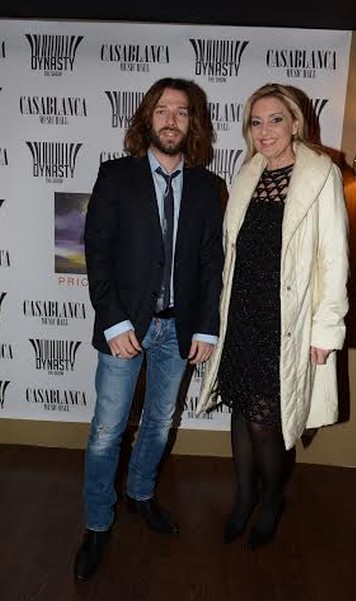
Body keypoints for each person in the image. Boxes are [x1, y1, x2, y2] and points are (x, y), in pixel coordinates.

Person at [74, 77, 224, 582]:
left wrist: (206, 327)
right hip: (124, 328)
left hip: (178, 332)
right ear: (146, 118)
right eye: (162, 110)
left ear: (193, 123)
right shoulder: (116, 176)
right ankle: (97, 524)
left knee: (159, 423)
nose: (171, 120)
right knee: (106, 431)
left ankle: (140, 494)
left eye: (181, 111)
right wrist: (113, 320)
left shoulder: (207, 187)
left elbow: (211, 262)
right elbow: (97, 251)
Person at [196, 83, 349, 550]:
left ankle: (271, 502)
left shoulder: (321, 175)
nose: (264, 131)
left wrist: (326, 330)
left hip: (286, 319)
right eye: (256, 122)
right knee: (241, 411)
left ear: (296, 122)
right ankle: (244, 498)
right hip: (243, 313)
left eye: (275, 119)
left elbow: (335, 258)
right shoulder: (248, 173)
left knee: (268, 421)